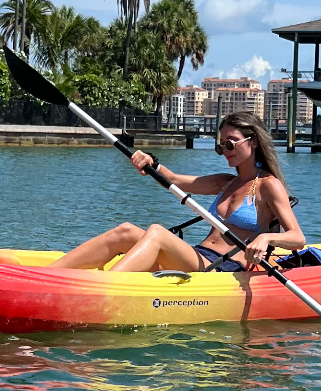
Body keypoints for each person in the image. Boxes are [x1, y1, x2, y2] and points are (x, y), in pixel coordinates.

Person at [50, 111, 304, 273]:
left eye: (230, 143)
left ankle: (100, 291)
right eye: (220, 146)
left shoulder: (269, 185)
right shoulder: (225, 182)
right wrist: (152, 163)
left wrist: (266, 239)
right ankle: (46, 276)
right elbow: (172, 179)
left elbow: (297, 238)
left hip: (223, 268)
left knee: (158, 234)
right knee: (126, 231)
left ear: (254, 141)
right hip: (198, 256)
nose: (225, 150)